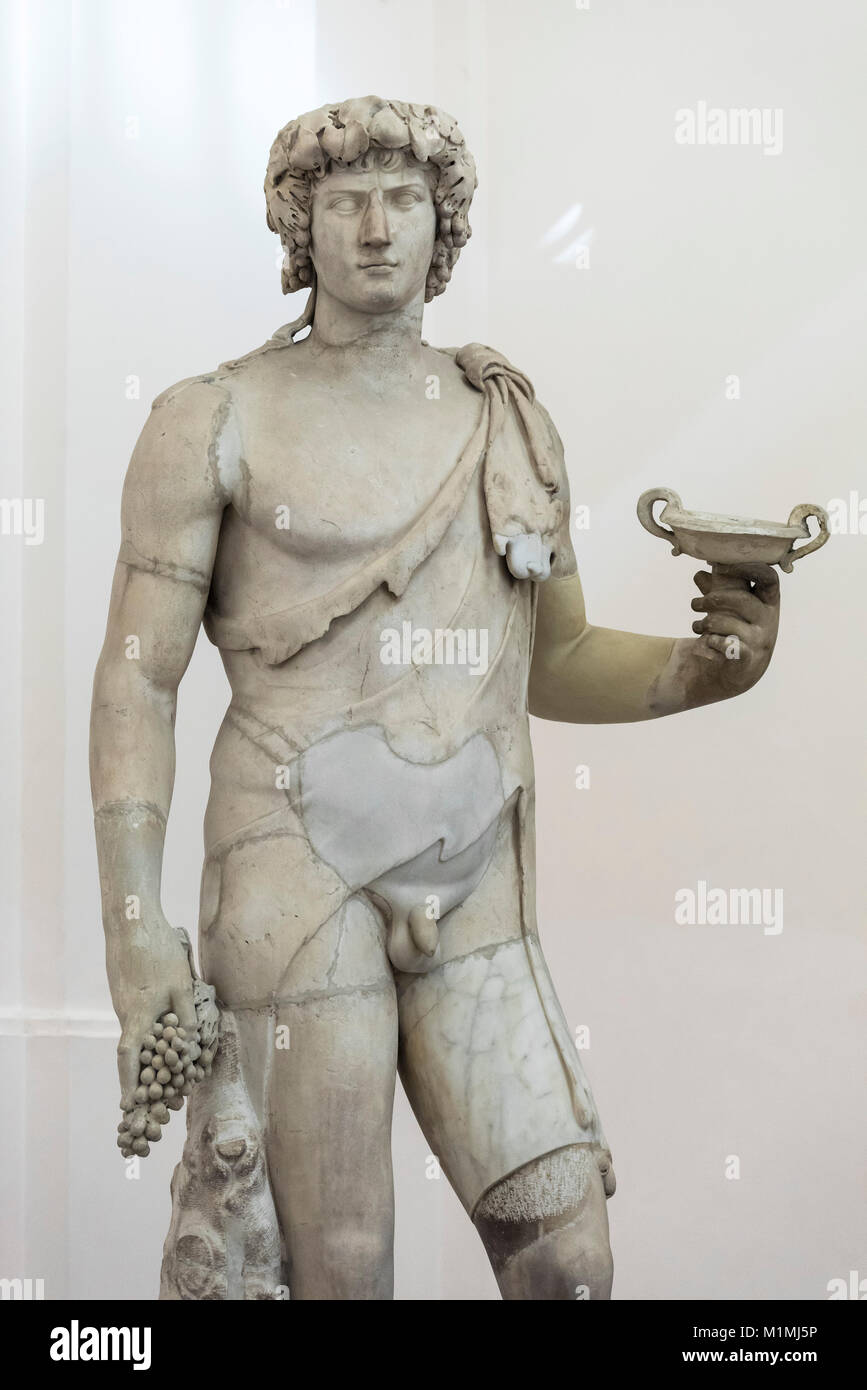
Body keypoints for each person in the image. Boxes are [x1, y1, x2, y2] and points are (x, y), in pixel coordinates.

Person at [90, 96, 780, 1300]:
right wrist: (135, 927)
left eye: (403, 200)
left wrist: (713, 666)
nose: (375, 228)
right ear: (299, 225)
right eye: (344, 200)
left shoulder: (502, 417)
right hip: (294, 871)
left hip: (476, 886)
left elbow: (551, 661)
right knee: (342, 1271)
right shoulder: (213, 418)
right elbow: (139, 679)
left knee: (568, 1259)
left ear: (441, 224)